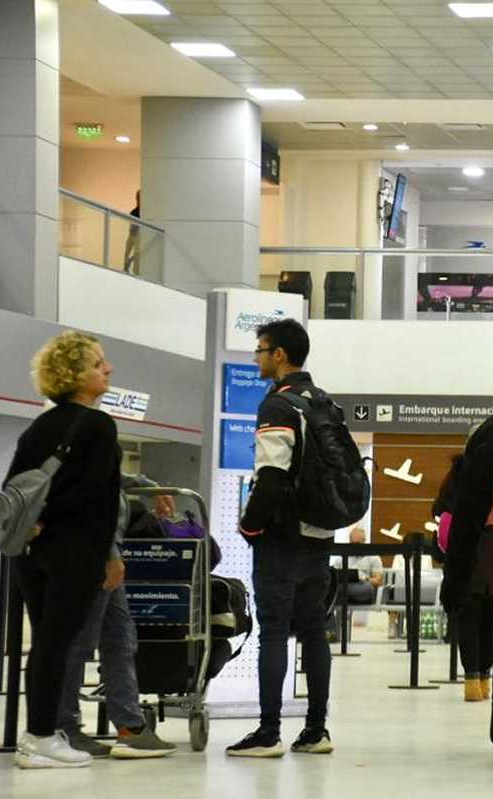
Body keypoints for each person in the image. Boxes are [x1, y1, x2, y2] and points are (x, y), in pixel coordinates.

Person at [7, 332, 122, 769]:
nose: (107, 369)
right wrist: (110, 554)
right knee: (61, 643)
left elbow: (14, 487)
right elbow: (99, 496)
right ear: (75, 376)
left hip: (31, 550)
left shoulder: (39, 427)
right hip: (76, 551)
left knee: (46, 644)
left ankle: (38, 732)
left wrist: (39, 520)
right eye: (97, 364)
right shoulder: (99, 425)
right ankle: (41, 737)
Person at [227, 318, 334, 759]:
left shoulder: (278, 405)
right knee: (313, 629)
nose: (256, 358)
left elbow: (271, 476)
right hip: (319, 534)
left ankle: (268, 731)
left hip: (283, 537)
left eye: (260, 349)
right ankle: (316, 729)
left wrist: (249, 526)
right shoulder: (323, 401)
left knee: (273, 630)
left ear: (280, 355)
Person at [57, 473, 178, 759]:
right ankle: (63, 727)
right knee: (80, 643)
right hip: (92, 554)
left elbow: (111, 478)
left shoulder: (99, 436)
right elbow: (91, 501)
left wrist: (150, 486)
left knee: (120, 638)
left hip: (107, 553)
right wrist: (110, 554)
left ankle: (130, 727)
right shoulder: (86, 433)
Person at [435, 454, 493, 703]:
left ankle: (471, 680)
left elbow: (440, 508)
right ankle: (485, 680)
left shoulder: (458, 474)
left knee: (468, 620)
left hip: (466, 551)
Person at [123, 190, 140, 274]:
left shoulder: (150, 213)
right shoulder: (134, 213)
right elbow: (132, 234)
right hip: (136, 241)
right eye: (139, 198)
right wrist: (126, 259)